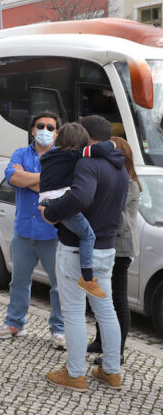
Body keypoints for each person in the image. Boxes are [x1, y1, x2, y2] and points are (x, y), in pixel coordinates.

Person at [41, 115, 128, 392]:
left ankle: (76, 373)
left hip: (76, 250)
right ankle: (111, 371)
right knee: (106, 310)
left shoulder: (87, 164)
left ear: (87, 137)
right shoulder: (121, 169)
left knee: (75, 313)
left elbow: (80, 198)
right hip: (106, 248)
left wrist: (51, 213)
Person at [0, 112, 66, 350]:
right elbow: (13, 178)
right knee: (19, 281)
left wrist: (28, 178)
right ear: (33, 130)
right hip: (23, 230)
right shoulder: (20, 153)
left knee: (58, 286)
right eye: (40, 126)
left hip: (52, 233)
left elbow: (59, 186)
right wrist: (44, 181)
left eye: (50, 127)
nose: (45, 130)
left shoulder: (62, 158)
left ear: (56, 132)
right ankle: (15, 323)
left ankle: (59, 329)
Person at [39, 124, 117, 298]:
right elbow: (100, 149)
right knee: (88, 235)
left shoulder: (49, 155)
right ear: (78, 143)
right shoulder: (72, 155)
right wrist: (114, 144)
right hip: (58, 199)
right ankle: (87, 279)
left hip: (47, 198)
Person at [89, 136, 140, 367]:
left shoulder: (128, 183)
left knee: (117, 299)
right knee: (102, 295)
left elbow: (113, 211)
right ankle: (101, 340)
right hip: (108, 242)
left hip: (120, 245)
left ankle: (116, 351)